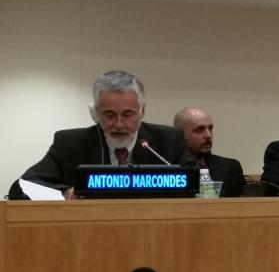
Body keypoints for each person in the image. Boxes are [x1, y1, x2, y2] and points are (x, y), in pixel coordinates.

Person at [9, 70, 194, 199]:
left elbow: (202, 183)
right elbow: (22, 186)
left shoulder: (169, 140)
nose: (119, 124)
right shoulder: (70, 144)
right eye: (110, 115)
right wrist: (65, 193)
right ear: (97, 112)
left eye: (128, 114)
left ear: (142, 111)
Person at [174, 106, 245, 197]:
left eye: (210, 129)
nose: (208, 135)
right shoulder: (167, 167)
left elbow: (241, 204)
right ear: (179, 134)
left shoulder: (230, 168)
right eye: (199, 130)